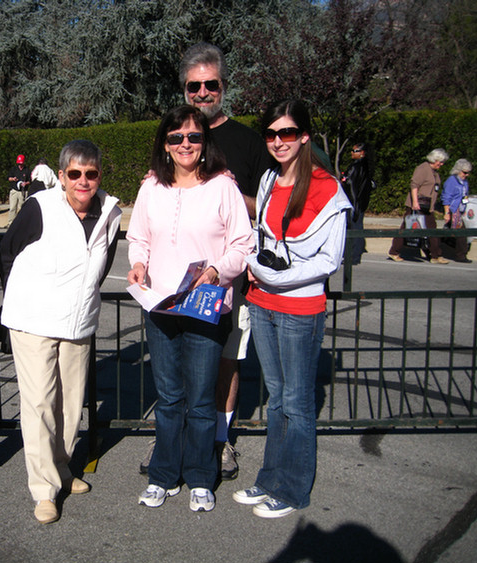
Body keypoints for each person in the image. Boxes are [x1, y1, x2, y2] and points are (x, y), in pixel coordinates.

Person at [141, 42, 274, 480]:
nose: (202, 92)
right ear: (184, 88)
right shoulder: (176, 133)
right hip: (173, 295)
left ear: (222, 86)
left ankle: (219, 443)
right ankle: (174, 448)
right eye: (194, 86)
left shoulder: (248, 142)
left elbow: (266, 208)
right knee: (176, 374)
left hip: (226, 285)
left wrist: (230, 192)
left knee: (226, 363)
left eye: (210, 84)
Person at [127, 105, 253, 513]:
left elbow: (242, 244)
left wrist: (218, 268)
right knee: (168, 397)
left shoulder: (223, 187)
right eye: (176, 137)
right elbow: (138, 237)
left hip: (204, 307)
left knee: (200, 399)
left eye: (193, 137)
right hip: (161, 306)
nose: (185, 144)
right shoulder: (151, 188)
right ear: (164, 144)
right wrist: (139, 262)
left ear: (205, 143)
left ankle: (200, 476)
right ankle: (164, 475)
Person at [233, 99, 351, 519]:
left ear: (303, 136)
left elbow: (329, 260)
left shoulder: (327, 188)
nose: (278, 142)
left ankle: (293, 489)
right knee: (277, 396)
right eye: (271, 134)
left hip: (300, 307)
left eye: (287, 133)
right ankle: (269, 479)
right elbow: (260, 237)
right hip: (262, 303)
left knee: (299, 403)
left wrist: (279, 278)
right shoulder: (268, 180)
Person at [0, 140, 122, 524]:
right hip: (34, 321)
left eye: (91, 173)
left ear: (99, 175)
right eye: (74, 174)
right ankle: (43, 489)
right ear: (62, 175)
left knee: (70, 403)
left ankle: (63, 470)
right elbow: (7, 253)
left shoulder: (110, 212)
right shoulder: (40, 206)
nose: (83, 181)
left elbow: (102, 265)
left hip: (78, 321)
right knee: (39, 404)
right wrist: (24, 296)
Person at [388, 149, 450, 264]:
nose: (441, 164)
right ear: (435, 160)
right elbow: (414, 185)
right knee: (406, 228)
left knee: (432, 229)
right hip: (418, 205)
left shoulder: (434, 172)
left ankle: (436, 255)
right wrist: (415, 202)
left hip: (428, 207)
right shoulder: (423, 169)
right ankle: (394, 251)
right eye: (440, 162)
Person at [341, 142, 375, 264]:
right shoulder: (365, 166)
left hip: (354, 203)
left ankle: (353, 256)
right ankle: (354, 254)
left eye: (355, 151)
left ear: (362, 153)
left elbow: (352, 188)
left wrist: (353, 205)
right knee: (357, 227)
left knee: (353, 229)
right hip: (360, 203)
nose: (352, 153)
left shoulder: (356, 167)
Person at [441, 158, 472, 263]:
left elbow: (465, 196)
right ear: (458, 170)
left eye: (468, 173)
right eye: (465, 172)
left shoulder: (464, 182)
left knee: (450, 232)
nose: (466, 175)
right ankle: (461, 256)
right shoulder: (451, 181)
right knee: (461, 233)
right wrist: (447, 213)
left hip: (461, 210)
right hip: (453, 210)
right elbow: (446, 197)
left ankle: (435, 249)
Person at [7, 154, 30, 227]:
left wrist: (26, 183)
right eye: (19, 163)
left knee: (21, 208)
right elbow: (8, 178)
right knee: (12, 207)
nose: (20, 165)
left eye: (21, 163)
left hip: (23, 191)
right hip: (15, 190)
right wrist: (13, 179)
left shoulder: (27, 170)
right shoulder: (14, 169)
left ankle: (20, 223)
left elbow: (30, 180)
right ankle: (11, 223)